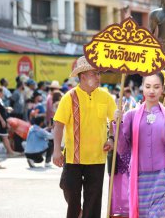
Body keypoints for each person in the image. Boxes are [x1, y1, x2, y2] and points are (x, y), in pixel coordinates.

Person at [52, 56, 117, 218]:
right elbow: (58, 124)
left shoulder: (106, 96)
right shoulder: (69, 97)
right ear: (83, 77)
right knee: (70, 193)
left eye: (98, 73)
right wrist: (56, 151)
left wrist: (111, 139)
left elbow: (115, 123)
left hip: (97, 157)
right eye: (94, 74)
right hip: (73, 156)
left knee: (93, 200)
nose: (98, 77)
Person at [114, 72, 165, 218]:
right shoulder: (130, 115)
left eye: (156, 87)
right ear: (142, 89)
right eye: (148, 86)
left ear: (162, 89)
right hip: (139, 179)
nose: (152, 91)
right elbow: (122, 149)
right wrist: (117, 125)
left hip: (162, 178)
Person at [0, 87, 17, 157]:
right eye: (3, 92)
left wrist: (6, 109)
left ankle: (10, 151)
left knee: (4, 136)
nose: (3, 94)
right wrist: (3, 121)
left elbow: (0, 110)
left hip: (1, 121)